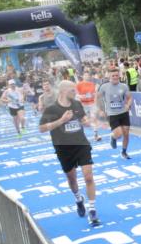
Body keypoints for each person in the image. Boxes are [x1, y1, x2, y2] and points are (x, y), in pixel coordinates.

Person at [39, 81, 100, 226]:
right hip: (64, 148)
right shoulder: (52, 109)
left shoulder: (77, 104)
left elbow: (83, 119)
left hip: (81, 144)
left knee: (89, 177)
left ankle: (92, 210)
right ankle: (78, 199)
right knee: (72, 179)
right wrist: (62, 120)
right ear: (63, 91)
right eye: (73, 90)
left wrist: (87, 122)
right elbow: (42, 128)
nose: (75, 92)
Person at [97, 68, 133, 159]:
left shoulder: (124, 86)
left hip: (123, 113)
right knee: (118, 134)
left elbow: (129, 98)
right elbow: (97, 98)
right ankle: (113, 137)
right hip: (112, 114)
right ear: (109, 76)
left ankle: (124, 152)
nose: (115, 77)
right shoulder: (104, 87)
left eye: (117, 75)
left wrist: (128, 105)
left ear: (119, 76)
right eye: (113, 76)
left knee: (126, 133)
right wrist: (100, 109)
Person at [76, 72, 100, 143]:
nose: (87, 76)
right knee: (83, 120)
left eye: (88, 75)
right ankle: (81, 136)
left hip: (91, 103)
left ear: (89, 77)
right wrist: (81, 96)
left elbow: (94, 94)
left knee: (94, 118)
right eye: (85, 75)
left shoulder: (92, 84)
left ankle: (96, 135)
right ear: (83, 76)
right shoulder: (79, 84)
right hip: (83, 104)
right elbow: (76, 94)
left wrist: (94, 97)